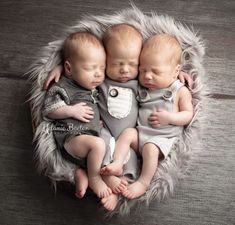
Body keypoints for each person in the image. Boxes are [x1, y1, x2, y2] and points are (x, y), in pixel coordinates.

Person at [43, 26, 193, 211]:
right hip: (103, 130)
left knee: (128, 160)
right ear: (106, 61)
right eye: (116, 64)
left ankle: (118, 188)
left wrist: (176, 74)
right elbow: (83, 68)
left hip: (131, 137)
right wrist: (62, 68)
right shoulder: (101, 79)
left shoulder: (140, 82)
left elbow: (160, 77)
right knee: (101, 149)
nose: (124, 70)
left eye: (132, 64)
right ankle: (102, 179)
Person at [106, 33, 194, 199]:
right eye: (143, 70)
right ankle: (117, 163)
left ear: (175, 72)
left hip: (162, 139)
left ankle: (143, 182)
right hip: (141, 135)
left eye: (155, 72)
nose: (147, 76)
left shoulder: (179, 90)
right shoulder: (143, 86)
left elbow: (188, 115)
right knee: (127, 134)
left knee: (150, 148)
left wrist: (170, 118)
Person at [42, 32, 112, 199]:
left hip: (85, 139)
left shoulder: (91, 86)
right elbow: (49, 110)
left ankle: (80, 173)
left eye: (101, 68)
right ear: (68, 68)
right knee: (99, 146)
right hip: (71, 137)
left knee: (113, 150)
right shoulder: (64, 86)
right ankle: (94, 178)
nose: (98, 74)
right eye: (90, 68)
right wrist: (71, 110)